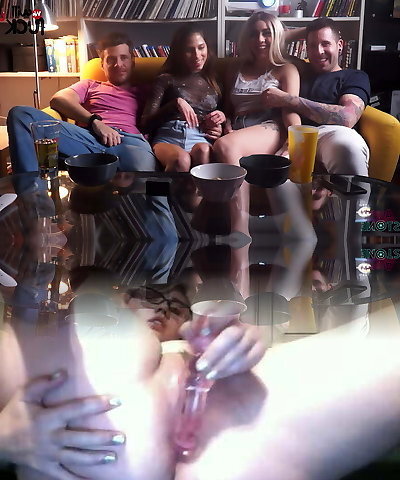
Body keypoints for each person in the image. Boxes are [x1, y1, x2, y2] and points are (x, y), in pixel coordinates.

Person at [7, 33, 158, 175]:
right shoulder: (90, 85)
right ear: (102, 64)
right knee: (20, 115)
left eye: (124, 58)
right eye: (111, 59)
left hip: (131, 143)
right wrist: (95, 122)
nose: (118, 64)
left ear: (132, 62)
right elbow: (58, 99)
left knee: (147, 184)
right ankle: (31, 191)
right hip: (88, 139)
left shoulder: (149, 91)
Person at [262, 17, 371, 176]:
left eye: (325, 43)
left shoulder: (354, 76)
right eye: (312, 45)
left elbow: (347, 118)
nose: (319, 51)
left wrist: (287, 99)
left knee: (348, 147)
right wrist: (308, 29)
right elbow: (272, 43)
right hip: (295, 133)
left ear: (340, 45)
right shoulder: (298, 69)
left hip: (334, 132)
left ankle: (353, 194)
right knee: (278, 175)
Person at [212, 11, 301, 164]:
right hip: (238, 126)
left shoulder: (287, 69)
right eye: (253, 34)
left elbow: (291, 110)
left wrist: (293, 140)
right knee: (223, 147)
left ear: (277, 35)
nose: (260, 39)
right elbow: (228, 108)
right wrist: (227, 124)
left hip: (269, 125)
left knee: (224, 146)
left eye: (266, 33)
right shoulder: (235, 67)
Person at [140, 25, 225, 172]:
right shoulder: (165, 79)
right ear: (179, 53)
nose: (197, 55)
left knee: (203, 151)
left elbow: (226, 117)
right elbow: (144, 124)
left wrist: (221, 121)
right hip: (168, 136)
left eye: (201, 48)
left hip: (200, 136)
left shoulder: (215, 82)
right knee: (181, 160)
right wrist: (175, 104)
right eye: (189, 50)